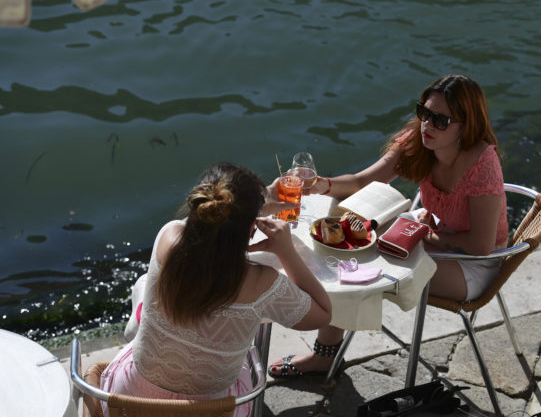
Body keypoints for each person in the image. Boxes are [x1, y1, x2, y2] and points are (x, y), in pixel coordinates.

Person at [268, 74, 508, 378]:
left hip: (474, 264)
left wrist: (422, 231)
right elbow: (362, 181)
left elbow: (480, 245)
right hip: (431, 239)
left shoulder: (482, 164)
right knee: (346, 253)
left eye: (440, 121)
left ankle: (324, 356)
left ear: (466, 125)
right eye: (424, 113)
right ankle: (326, 354)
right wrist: (318, 184)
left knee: (355, 270)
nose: (427, 125)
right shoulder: (420, 142)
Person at [100, 163, 332, 416]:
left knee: (145, 284)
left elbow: (204, 224)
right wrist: (286, 251)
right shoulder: (262, 282)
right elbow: (323, 314)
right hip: (212, 411)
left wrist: (254, 206)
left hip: (130, 403)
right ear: (252, 226)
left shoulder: (167, 236)